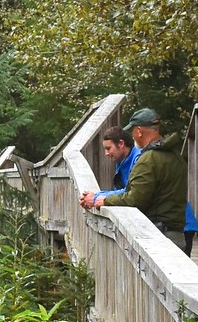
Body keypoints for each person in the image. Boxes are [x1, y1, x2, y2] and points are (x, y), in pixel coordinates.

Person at [80, 106, 192, 252]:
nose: (132, 136)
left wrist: (104, 201)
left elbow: (136, 198)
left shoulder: (148, 159)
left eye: (132, 131)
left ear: (139, 131)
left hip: (159, 236)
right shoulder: (174, 155)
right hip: (177, 234)